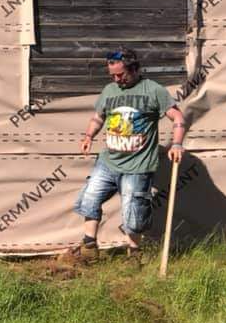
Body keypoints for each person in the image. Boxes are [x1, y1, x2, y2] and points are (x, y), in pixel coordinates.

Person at [72, 48, 186, 259]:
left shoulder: (153, 90)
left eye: (121, 75)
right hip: (108, 162)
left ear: (135, 69)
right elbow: (99, 117)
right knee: (89, 199)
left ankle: (134, 254)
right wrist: (89, 136)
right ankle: (89, 248)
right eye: (113, 76)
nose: (117, 79)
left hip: (138, 166)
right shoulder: (110, 90)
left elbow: (177, 117)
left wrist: (177, 144)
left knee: (133, 213)